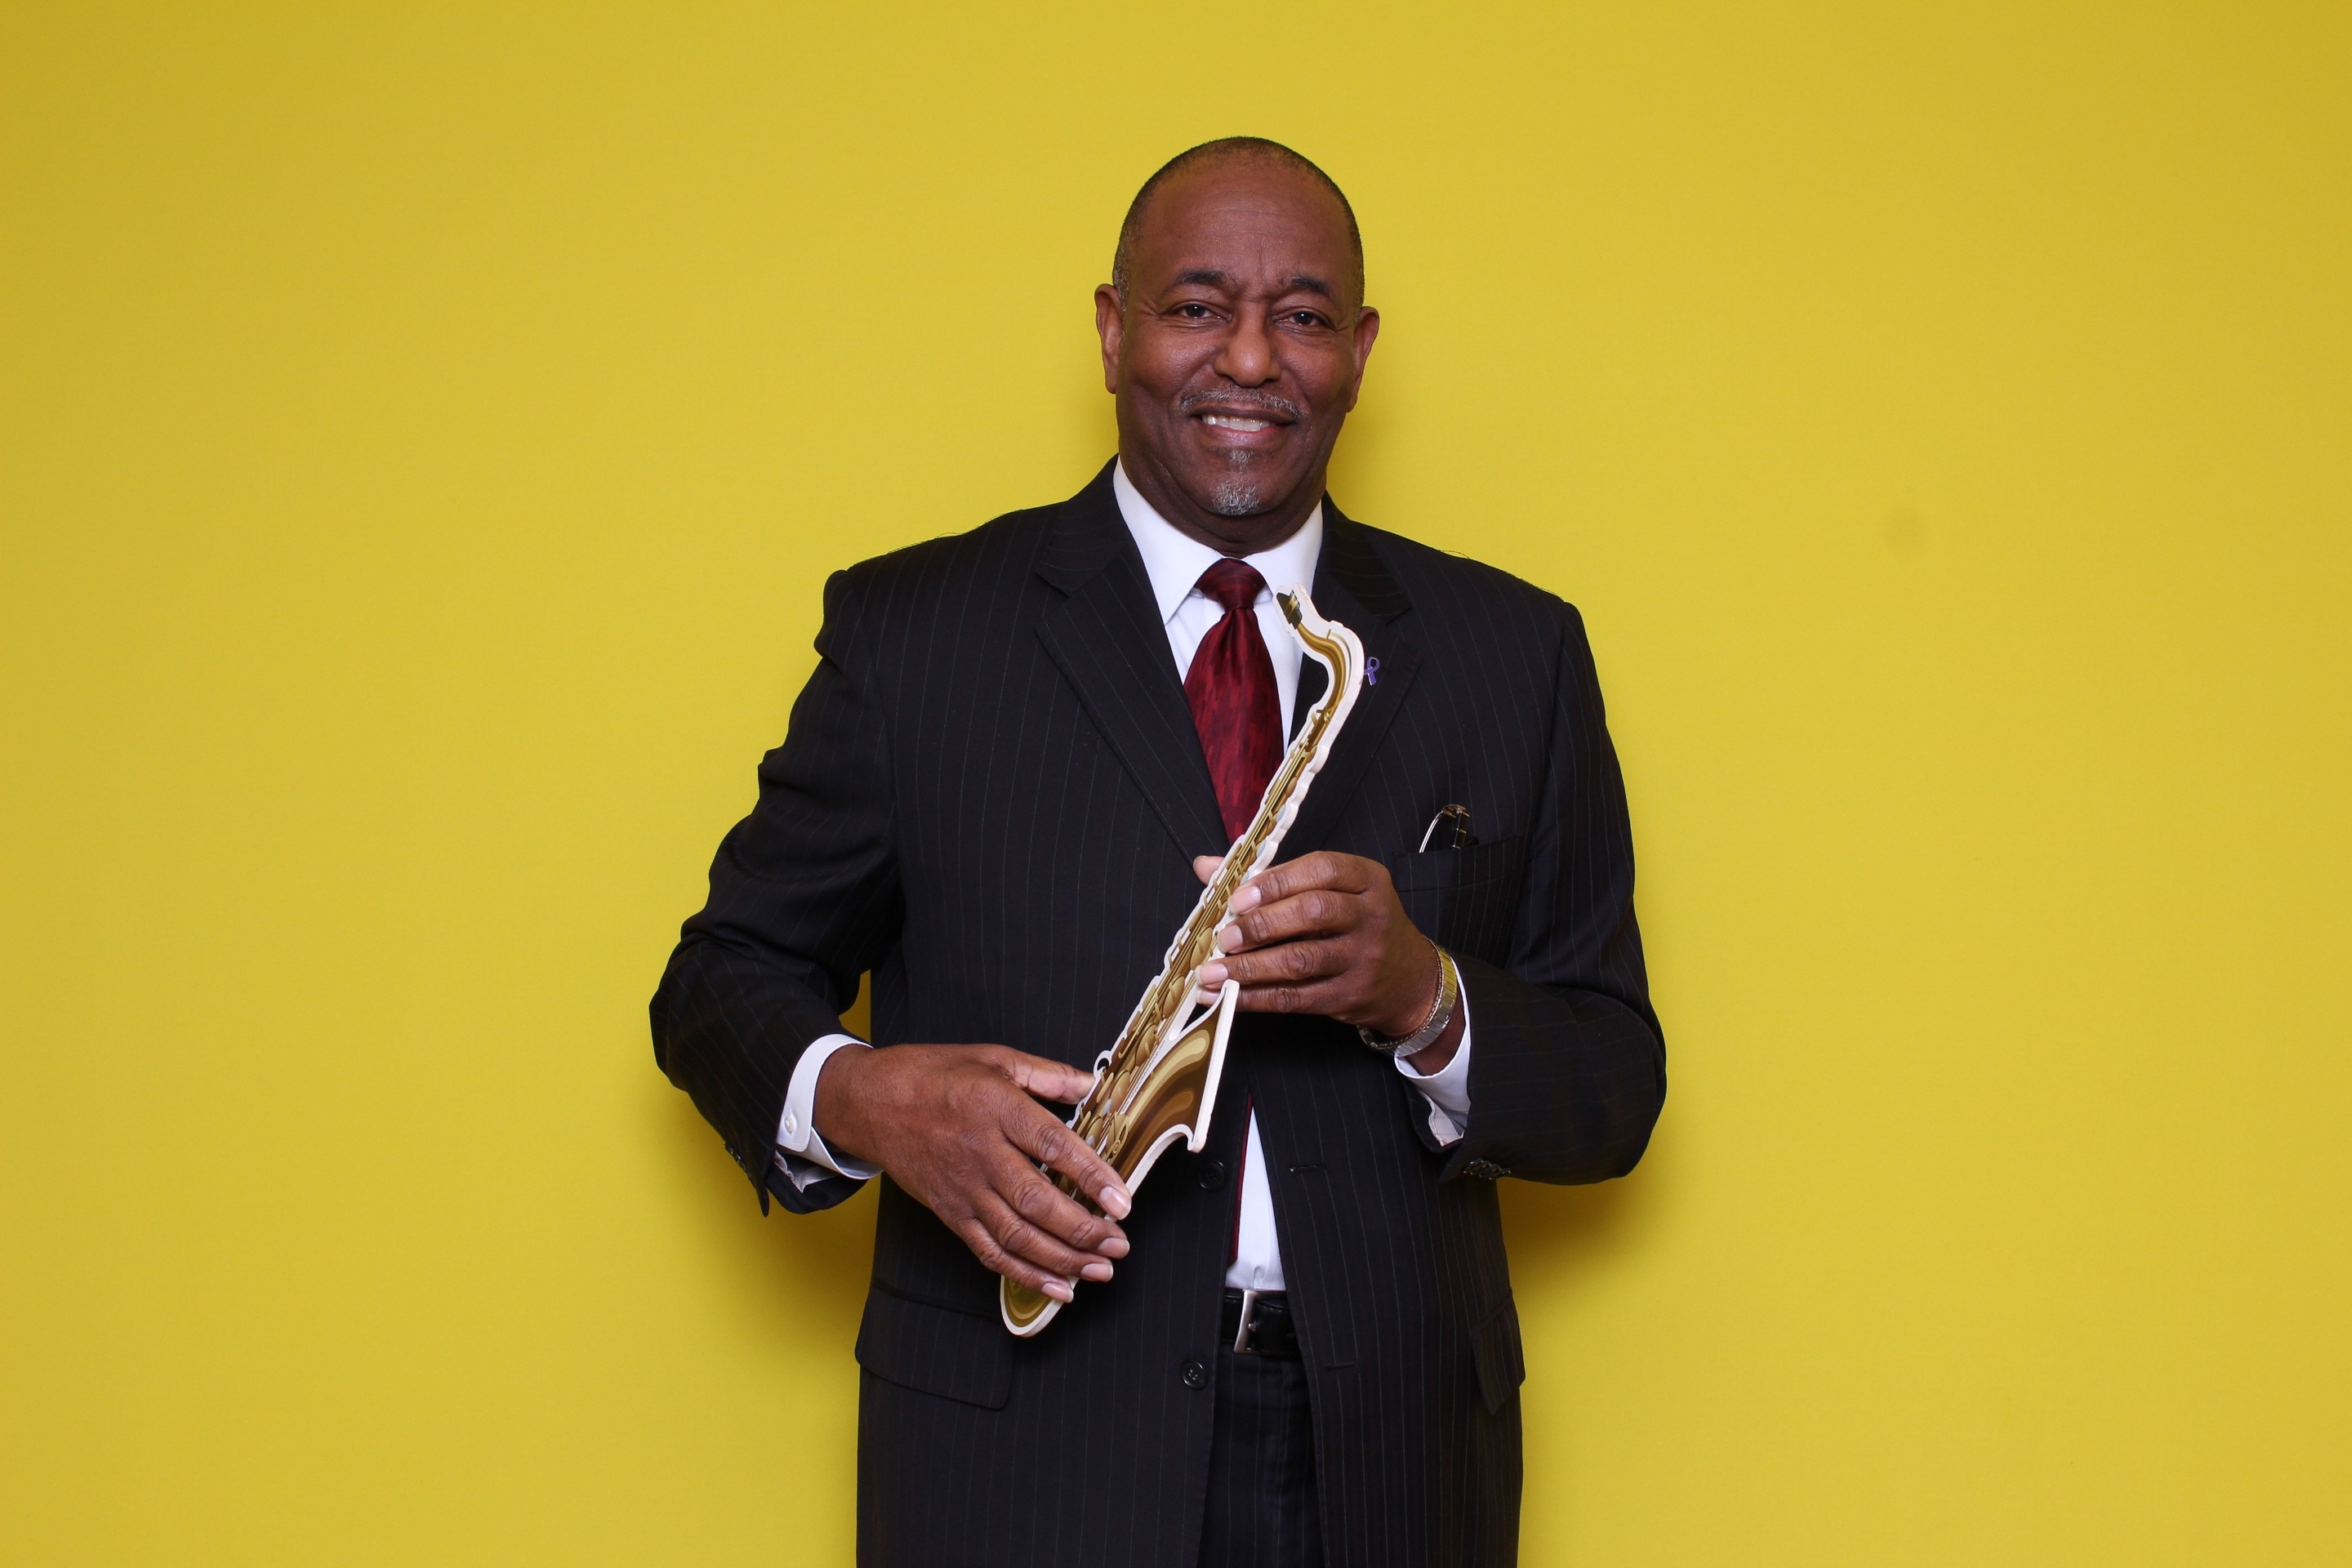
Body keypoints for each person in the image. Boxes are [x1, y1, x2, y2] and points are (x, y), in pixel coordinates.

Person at [651, 136, 1664, 1568]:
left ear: (1361, 353)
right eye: (1197, 307)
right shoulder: (916, 634)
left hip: (1397, 1468)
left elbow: (1614, 1084)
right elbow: (719, 982)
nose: (1250, 358)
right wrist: (868, 1098)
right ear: (1113, 330)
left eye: (1303, 316)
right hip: (1017, 1465)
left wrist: (1427, 999)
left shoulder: (1517, 655)